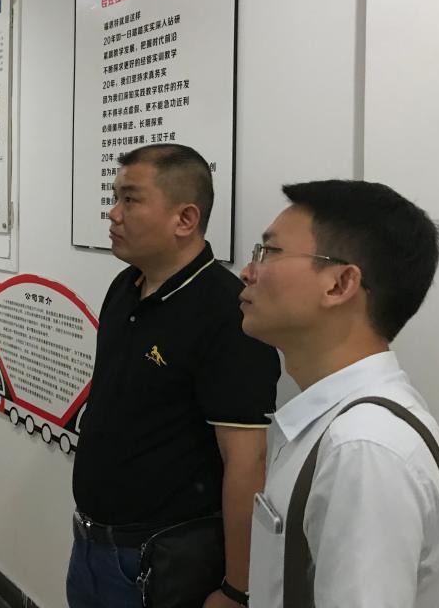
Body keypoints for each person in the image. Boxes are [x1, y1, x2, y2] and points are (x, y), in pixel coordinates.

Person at [69, 144, 280, 608]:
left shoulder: (227, 314)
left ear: (185, 219)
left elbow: (246, 462)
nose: (113, 213)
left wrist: (237, 588)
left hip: (161, 563)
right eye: (114, 197)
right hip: (91, 544)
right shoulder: (126, 286)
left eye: (129, 199)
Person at [240, 180, 439, 607]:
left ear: (340, 284)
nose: (247, 272)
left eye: (268, 252)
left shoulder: (363, 448)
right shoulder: (345, 429)